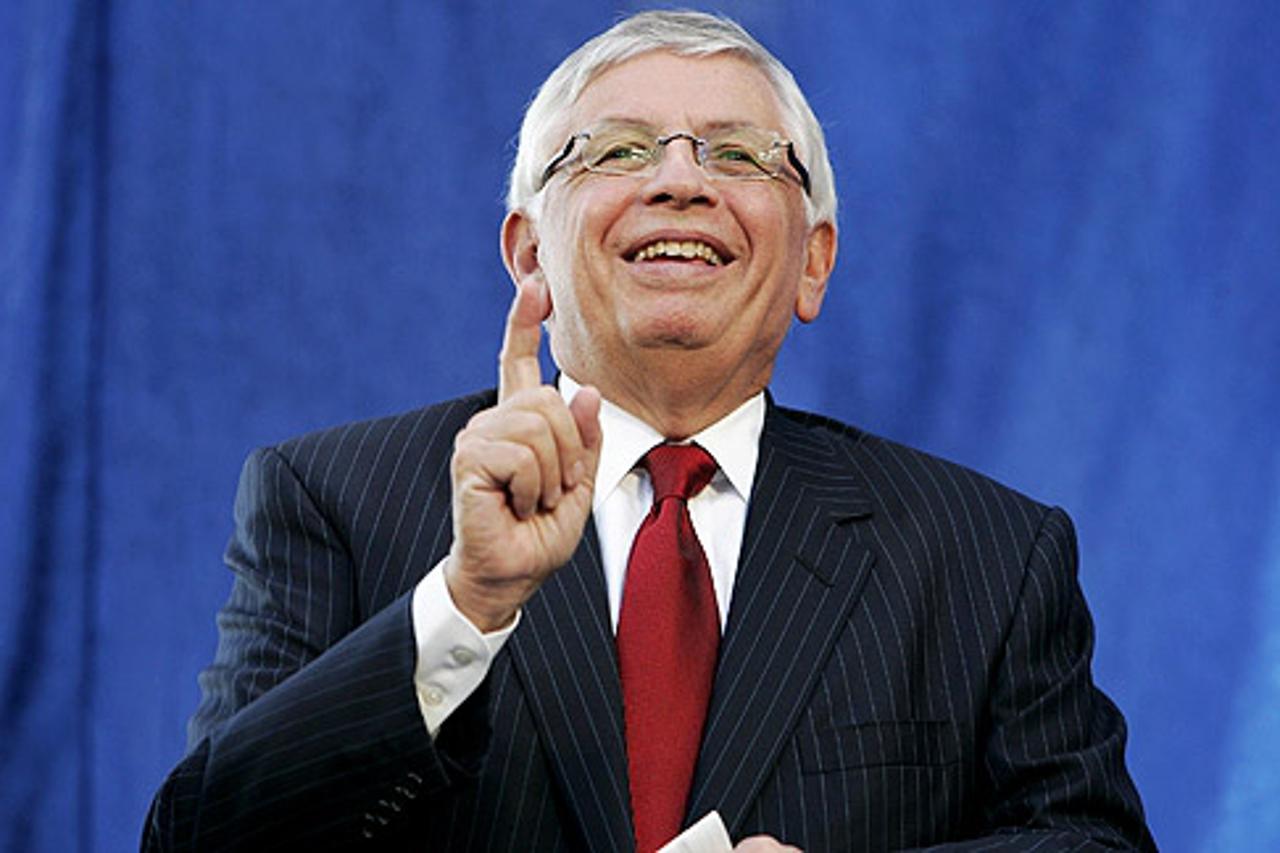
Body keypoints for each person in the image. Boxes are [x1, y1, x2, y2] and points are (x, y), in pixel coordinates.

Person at [144, 10, 1153, 852]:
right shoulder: (336, 500)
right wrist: (468, 603)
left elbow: (1089, 841)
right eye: (618, 150)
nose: (680, 180)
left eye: (740, 154)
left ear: (813, 262)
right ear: (529, 255)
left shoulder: (988, 551)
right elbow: (200, 839)